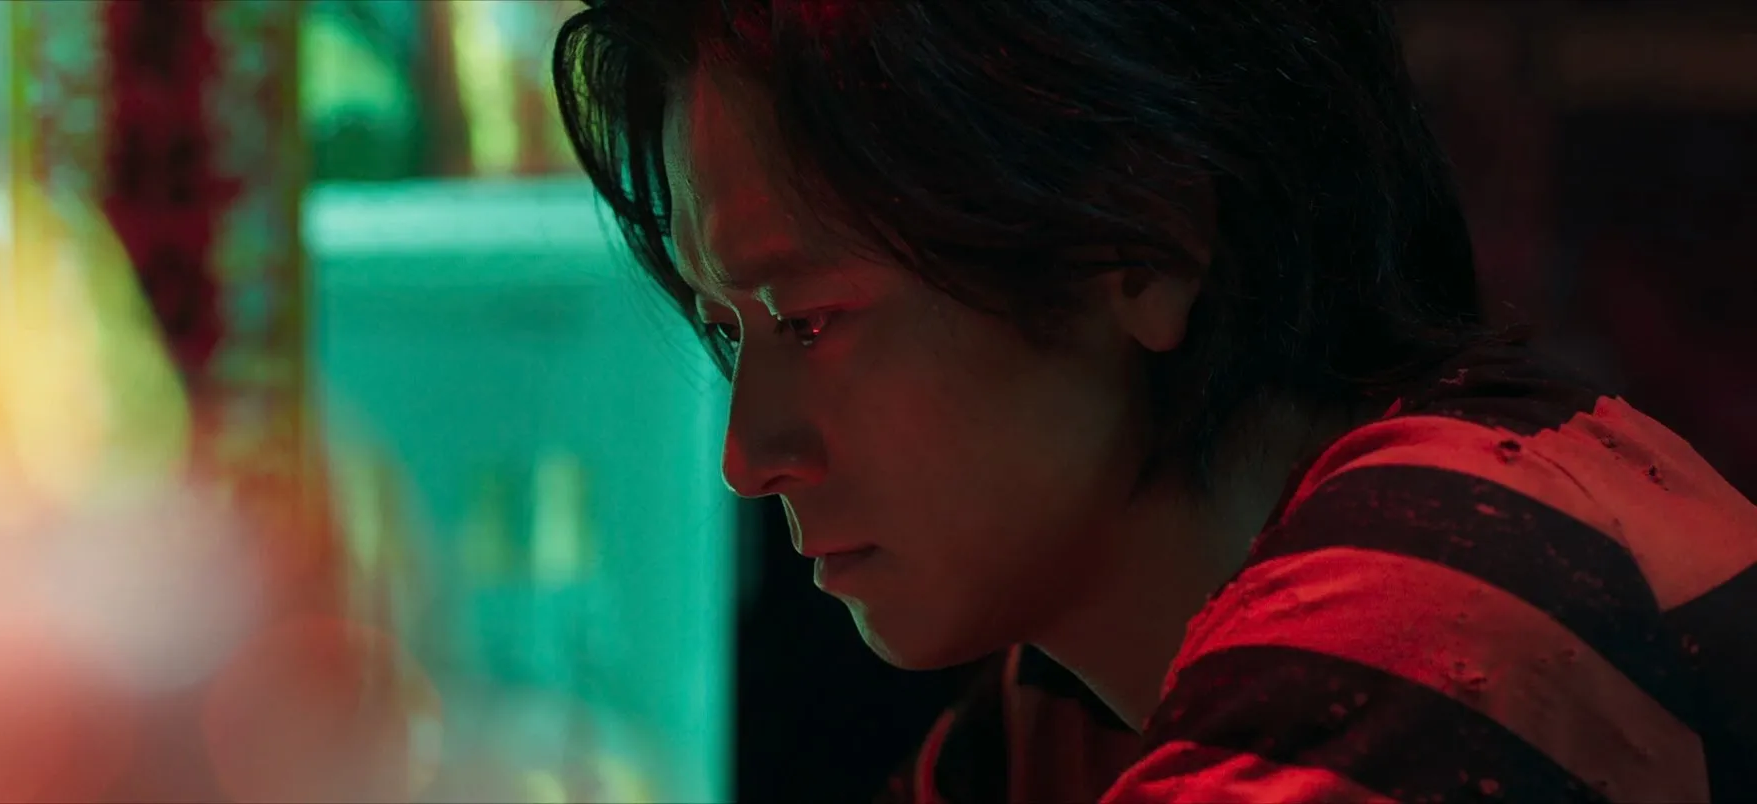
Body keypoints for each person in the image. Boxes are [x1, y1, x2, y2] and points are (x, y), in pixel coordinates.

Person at [551, 0, 1757, 800]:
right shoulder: (1071, 709)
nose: (748, 453)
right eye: (727, 330)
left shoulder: (1433, 606)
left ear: (1142, 245)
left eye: (810, 320)